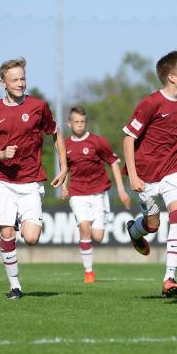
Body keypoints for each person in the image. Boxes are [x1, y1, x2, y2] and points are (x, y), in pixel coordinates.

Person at [0, 57, 68, 299]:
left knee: (31, 238)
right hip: (2, 180)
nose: (20, 83)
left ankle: (19, 220)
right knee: (7, 232)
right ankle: (15, 286)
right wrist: (0, 153)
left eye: (23, 78)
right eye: (14, 79)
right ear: (3, 83)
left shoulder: (39, 106)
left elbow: (56, 133)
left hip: (30, 181)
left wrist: (64, 167)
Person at [123, 51, 177, 298]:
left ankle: (169, 277)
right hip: (146, 176)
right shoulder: (150, 103)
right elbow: (128, 139)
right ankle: (135, 231)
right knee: (152, 225)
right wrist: (132, 175)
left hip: (173, 172)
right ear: (172, 77)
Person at [60, 106, 131, 283]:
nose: (79, 125)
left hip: (99, 193)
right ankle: (89, 272)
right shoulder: (65, 145)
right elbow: (65, 169)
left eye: (82, 122)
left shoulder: (98, 142)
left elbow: (114, 163)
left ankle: (91, 249)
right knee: (84, 227)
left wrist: (121, 190)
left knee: (98, 236)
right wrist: (63, 186)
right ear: (69, 123)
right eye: (76, 122)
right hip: (77, 193)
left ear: (86, 123)